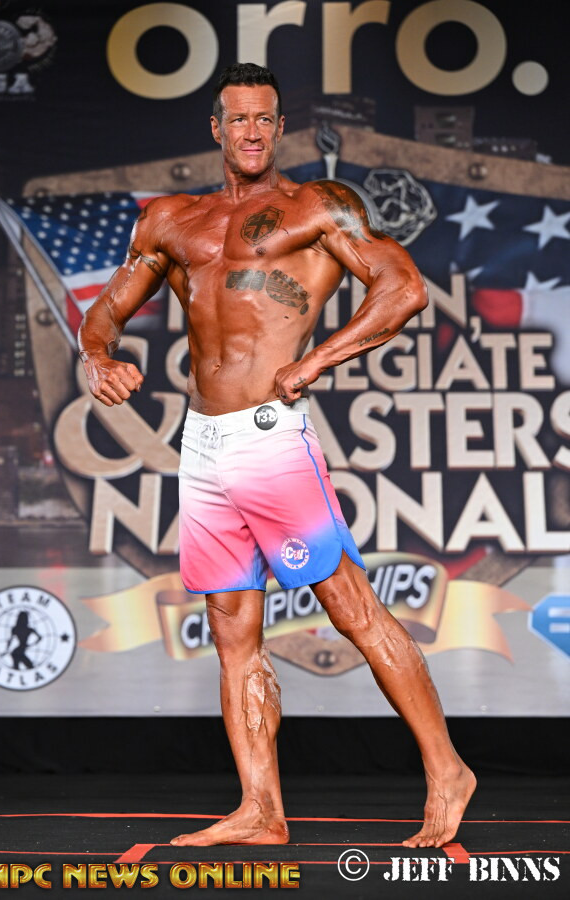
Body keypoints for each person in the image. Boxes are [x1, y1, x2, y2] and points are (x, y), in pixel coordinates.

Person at [78, 63, 476, 849]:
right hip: (203, 443)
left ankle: (447, 769)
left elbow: (402, 289)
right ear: (216, 129)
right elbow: (105, 313)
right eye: (239, 118)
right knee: (232, 629)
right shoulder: (171, 219)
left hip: (269, 437)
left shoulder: (318, 206)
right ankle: (261, 809)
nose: (252, 131)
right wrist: (98, 359)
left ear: (280, 127)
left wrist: (318, 359)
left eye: (265, 118)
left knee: (350, 605)